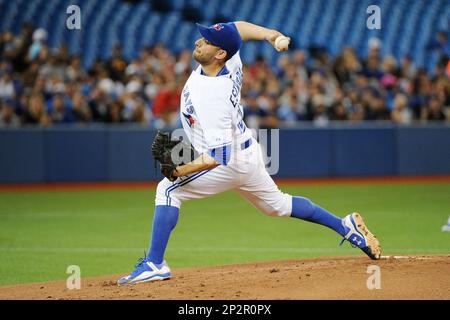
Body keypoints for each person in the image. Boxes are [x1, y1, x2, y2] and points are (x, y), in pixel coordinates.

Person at [118, 21, 381, 285]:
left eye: (207, 41)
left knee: (168, 189)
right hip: (247, 152)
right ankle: (344, 225)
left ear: (220, 54)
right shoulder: (229, 61)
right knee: (277, 205)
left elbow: (218, 156)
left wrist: (179, 170)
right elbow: (237, 28)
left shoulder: (212, 95)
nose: (199, 42)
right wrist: (271, 35)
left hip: (228, 160)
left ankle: (155, 263)